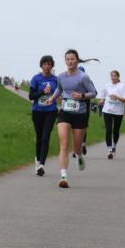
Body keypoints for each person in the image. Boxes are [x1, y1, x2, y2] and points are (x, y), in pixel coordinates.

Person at [52, 51, 98, 188]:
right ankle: (63, 177)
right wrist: (52, 98)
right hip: (65, 112)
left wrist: (82, 95)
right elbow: (59, 89)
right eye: (68, 59)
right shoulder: (61, 76)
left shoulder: (83, 77)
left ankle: (79, 156)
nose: (70, 61)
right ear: (65, 61)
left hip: (80, 114)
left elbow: (93, 93)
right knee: (64, 145)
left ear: (77, 60)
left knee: (76, 148)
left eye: (72, 59)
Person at [28, 55, 58, 176]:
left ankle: (41, 164)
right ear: (41, 65)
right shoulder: (36, 78)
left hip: (51, 111)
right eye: (45, 64)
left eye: (49, 64)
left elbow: (60, 93)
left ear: (52, 66)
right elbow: (31, 96)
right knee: (39, 137)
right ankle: (37, 160)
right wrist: (43, 92)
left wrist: (55, 96)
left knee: (46, 137)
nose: (47, 66)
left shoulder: (56, 80)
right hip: (37, 111)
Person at [98, 70, 125, 159]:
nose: (113, 77)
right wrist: (101, 101)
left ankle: (114, 145)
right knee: (108, 130)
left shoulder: (122, 86)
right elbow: (102, 96)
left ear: (118, 77)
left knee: (116, 130)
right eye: (112, 76)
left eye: (115, 76)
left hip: (118, 111)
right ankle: (110, 150)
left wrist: (117, 97)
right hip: (107, 110)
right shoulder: (107, 86)